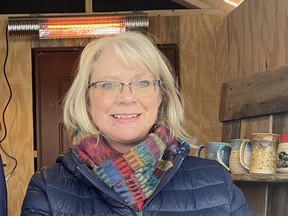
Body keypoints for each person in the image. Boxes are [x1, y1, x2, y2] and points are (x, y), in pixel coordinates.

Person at [21, 31, 255, 216]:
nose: (126, 97)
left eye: (142, 83)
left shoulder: (216, 181)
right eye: (108, 85)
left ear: (160, 96)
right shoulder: (48, 188)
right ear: (87, 100)